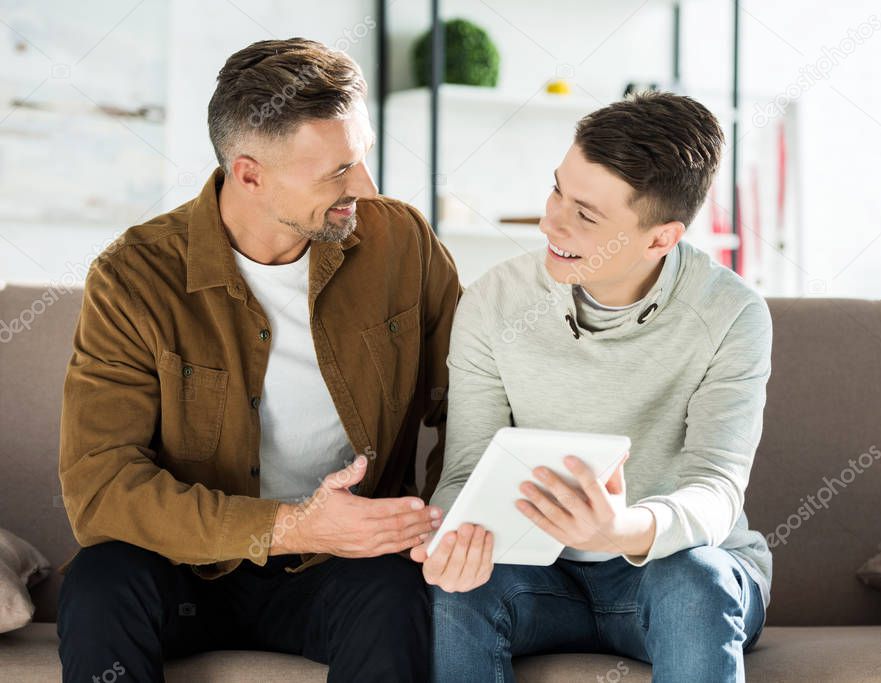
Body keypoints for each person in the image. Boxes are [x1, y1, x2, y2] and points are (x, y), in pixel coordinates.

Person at [57, 38, 459, 682]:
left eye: (364, 160)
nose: (367, 188)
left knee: (393, 590)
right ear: (249, 174)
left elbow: (470, 399)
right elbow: (101, 491)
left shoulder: (400, 242)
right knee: (102, 582)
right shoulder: (134, 277)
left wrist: (441, 517)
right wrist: (296, 525)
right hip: (185, 571)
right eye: (338, 171)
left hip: (343, 571)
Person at [412, 92, 772, 682]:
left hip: (674, 574)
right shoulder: (492, 302)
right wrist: (451, 540)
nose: (551, 220)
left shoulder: (732, 313)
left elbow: (716, 487)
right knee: (463, 589)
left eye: (586, 214)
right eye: (557, 189)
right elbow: (466, 470)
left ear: (661, 238)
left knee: (695, 582)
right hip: (541, 577)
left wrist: (621, 530)